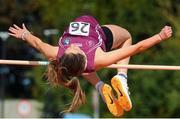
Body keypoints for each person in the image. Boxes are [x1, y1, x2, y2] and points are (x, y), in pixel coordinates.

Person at [8, 15, 172, 117]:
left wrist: (24, 34)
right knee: (127, 36)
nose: (72, 46)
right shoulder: (99, 58)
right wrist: (159, 36)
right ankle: (122, 78)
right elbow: (136, 48)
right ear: (80, 56)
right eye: (74, 49)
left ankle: (100, 87)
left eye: (69, 49)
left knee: (82, 69)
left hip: (84, 65)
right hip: (97, 36)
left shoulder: (57, 53)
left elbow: (37, 43)